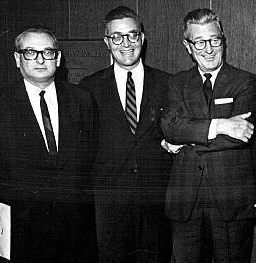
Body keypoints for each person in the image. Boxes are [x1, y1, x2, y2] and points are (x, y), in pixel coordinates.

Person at [0, 27, 97, 262]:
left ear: (59, 58)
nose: (41, 60)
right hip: (22, 229)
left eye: (48, 52)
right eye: (31, 52)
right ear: (17, 58)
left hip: (74, 228)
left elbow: (89, 159)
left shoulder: (81, 99)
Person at [161, 8, 256, 263]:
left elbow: (238, 136)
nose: (208, 49)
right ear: (188, 46)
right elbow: (170, 127)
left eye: (214, 40)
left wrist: (184, 141)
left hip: (231, 203)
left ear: (223, 40)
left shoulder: (245, 81)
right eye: (200, 42)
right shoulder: (176, 83)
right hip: (185, 203)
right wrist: (219, 125)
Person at [78, 6, 172, 262]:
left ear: (142, 38)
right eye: (117, 37)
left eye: (132, 35)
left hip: (157, 203)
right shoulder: (88, 87)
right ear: (107, 42)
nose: (126, 43)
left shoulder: (168, 83)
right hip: (109, 206)